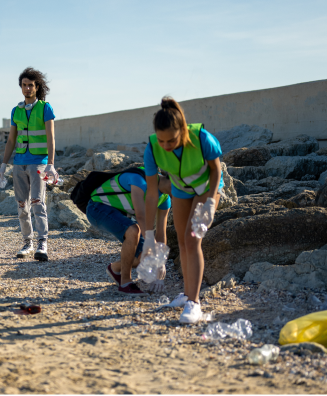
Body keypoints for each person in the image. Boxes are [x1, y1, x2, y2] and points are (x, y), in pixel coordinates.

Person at [142, 96, 224, 324]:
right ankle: (187, 294)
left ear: (182, 130)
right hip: (181, 190)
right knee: (181, 238)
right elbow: (151, 192)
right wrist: (148, 236)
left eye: (172, 140)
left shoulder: (202, 138)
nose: (166, 146)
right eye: (162, 141)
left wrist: (210, 202)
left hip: (207, 189)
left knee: (192, 239)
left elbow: (216, 170)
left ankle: (194, 303)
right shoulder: (152, 148)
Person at [0, 67, 57, 261]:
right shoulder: (16, 111)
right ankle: (27, 242)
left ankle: (42, 243)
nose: (27, 88)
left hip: (38, 163)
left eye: (31, 85)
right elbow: (11, 141)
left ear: (37, 87)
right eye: (24, 85)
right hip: (19, 163)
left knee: (38, 203)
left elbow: (51, 138)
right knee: (22, 205)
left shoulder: (45, 108)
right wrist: (3, 165)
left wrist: (51, 164)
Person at [86, 168, 173, 295]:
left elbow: (161, 232)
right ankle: (125, 282)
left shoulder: (165, 199)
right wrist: (150, 242)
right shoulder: (140, 180)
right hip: (96, 208)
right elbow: (140, 216)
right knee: (133, 230)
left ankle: (115, 268)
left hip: (120, 215)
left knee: (147, 257)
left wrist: (160, 261)